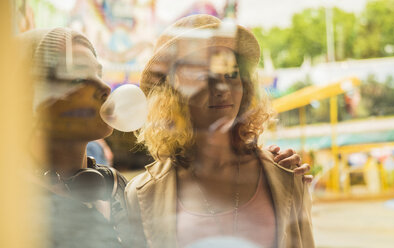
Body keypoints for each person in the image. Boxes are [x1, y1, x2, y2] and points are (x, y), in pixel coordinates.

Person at [125, 14, 314, 248]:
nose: (222, 88)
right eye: (204, 76)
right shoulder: (143, 193)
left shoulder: (285, 174)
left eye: (232, 74)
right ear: (171, 92)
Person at [20, 27, 128, 248]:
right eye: (78, 77)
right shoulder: (15, 205)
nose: (105, 87)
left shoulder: (116, 188)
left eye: (98, 74)